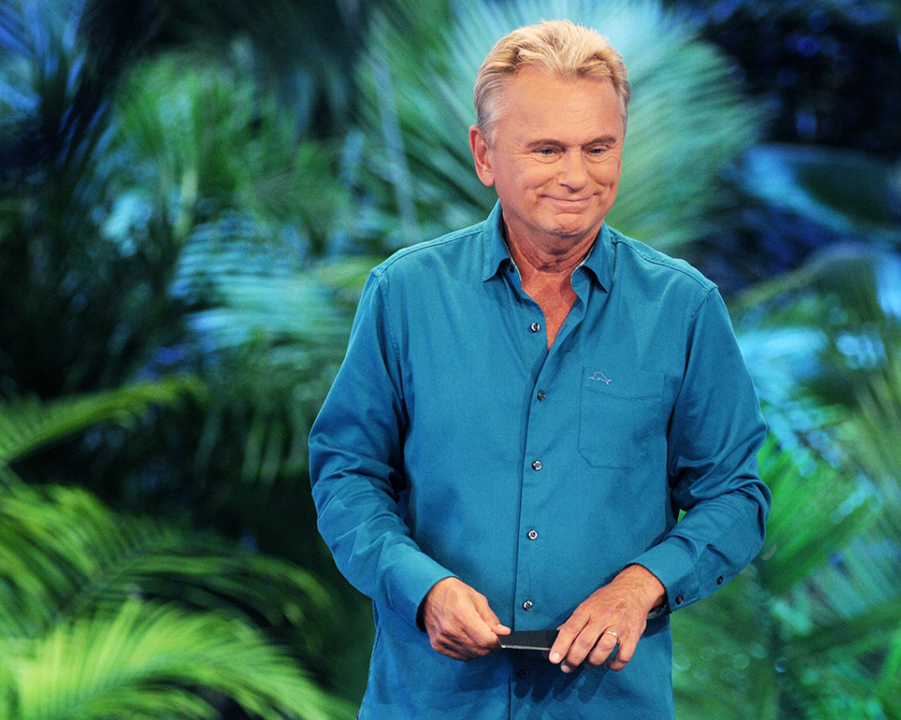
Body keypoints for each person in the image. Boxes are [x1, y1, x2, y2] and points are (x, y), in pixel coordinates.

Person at [309, 18, 770, 719]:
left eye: (599, 147)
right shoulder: (405, 295)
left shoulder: (684, 309)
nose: (577, 177)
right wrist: (419, 586)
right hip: (431, 702)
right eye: (547, 149)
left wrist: (642, 584)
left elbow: (736, 497)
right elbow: (346, 476)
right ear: (484, 154)